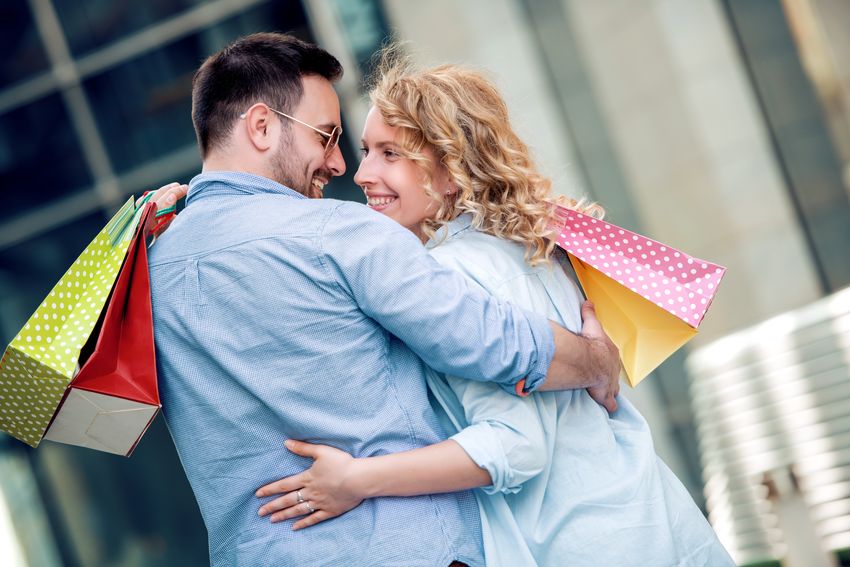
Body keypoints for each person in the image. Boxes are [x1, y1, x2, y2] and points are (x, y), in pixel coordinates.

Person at [147, 33, 620, 567]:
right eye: (325, 137)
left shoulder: (146, 271)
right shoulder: (338, 233)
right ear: (261, 127)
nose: (338, 164)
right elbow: (492, 341)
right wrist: (596, 359)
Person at [254, 57, 735, 566]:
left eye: (390, 154)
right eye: (367, 150)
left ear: (450, 170)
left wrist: (356, 480)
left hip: (580, 543)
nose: (363, 172)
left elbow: (515, 446)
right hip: (650, 522)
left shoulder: (451, 274)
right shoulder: (530, 247)